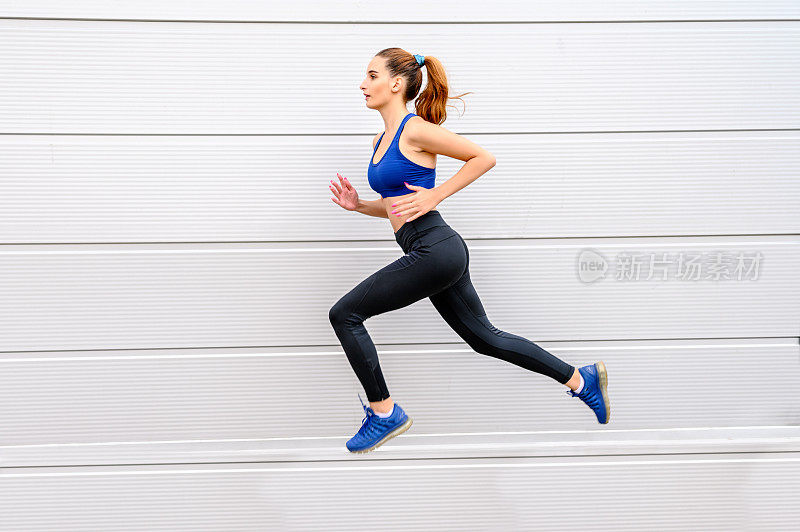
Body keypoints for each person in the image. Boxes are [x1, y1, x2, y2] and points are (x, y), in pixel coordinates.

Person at [328, 48, 611, 454]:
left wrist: (437, 195)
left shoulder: (415, 130)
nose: (362, 84)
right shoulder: (381, 139)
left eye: (371, 76)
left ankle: (385, 412)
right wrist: (360, 205)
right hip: (433, 250)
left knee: (345, 314)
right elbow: (397, 204)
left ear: (395, 84)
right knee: (485, 339)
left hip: (434, 248)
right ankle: (581, 380)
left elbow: (483, 157)